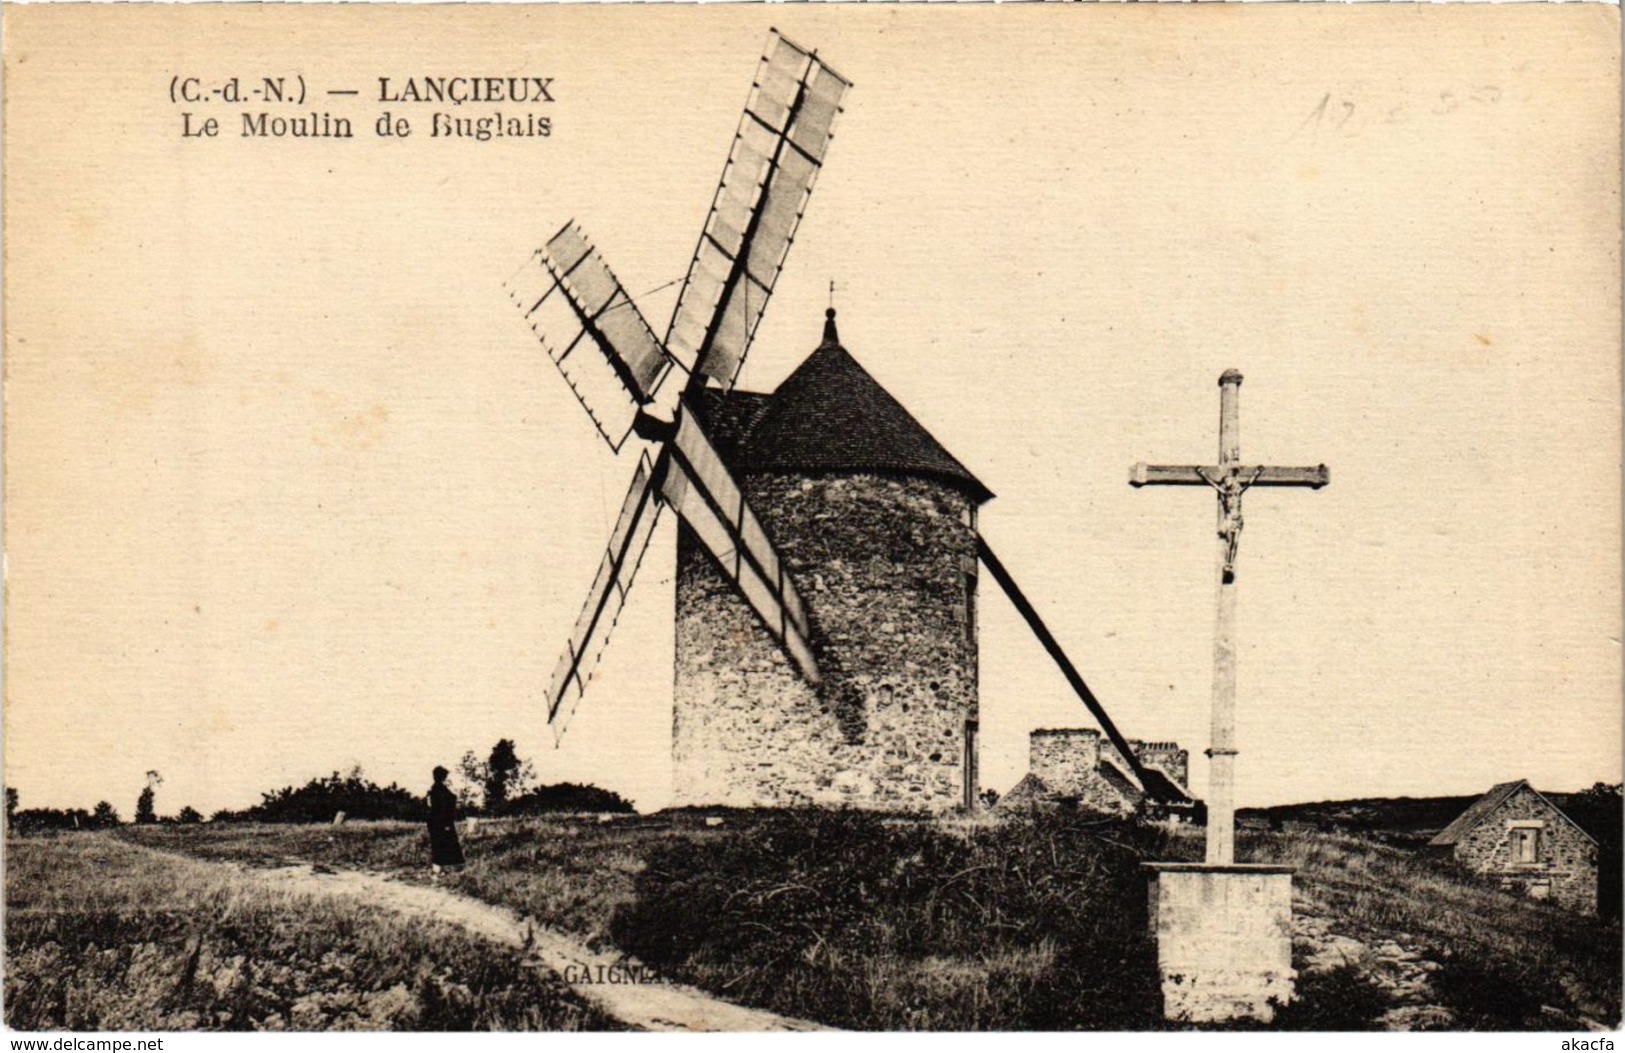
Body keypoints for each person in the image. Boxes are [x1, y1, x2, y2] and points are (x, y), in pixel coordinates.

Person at [426, 765, 464, 876]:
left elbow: (430, 806)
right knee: (444, 845)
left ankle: (438, 870)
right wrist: (446, 824)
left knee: (438, 844)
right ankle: (444, 870)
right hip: (443, 822)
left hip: (435, 822)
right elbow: (444, 807)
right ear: (443, 777)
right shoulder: (441, 790)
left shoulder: (434, 788)